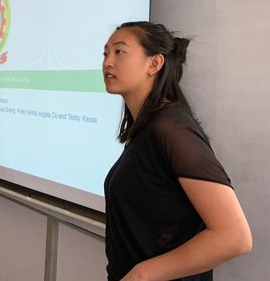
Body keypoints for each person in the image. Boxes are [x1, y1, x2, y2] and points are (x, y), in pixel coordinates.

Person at [102, 21, 252, 281]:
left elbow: (234, 237)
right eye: (105, 54)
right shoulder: (148, 128)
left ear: (154, 64)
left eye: (119, 52)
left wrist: (142, 274)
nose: (107, 63)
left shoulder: (172, 128)